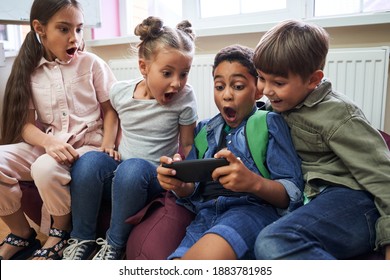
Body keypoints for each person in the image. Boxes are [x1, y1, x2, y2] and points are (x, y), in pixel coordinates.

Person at [62, 16, 198, 260]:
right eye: (167, 73)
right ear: (144, 67)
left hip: (153, 178)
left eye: (184, 74)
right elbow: (110, 110)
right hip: (120, 174)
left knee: (132, 169)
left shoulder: (185, 98)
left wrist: (182, 166)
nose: (176, 83)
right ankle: (82, 239)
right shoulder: (122, 91)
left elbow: (188, 143)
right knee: (88, 163)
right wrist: (108, 143)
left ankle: (114, 245)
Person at [253, 19, 390, 260]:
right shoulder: (275, 108)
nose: (266, 89)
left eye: (278, 83)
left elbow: (381, 175)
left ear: (313, 80)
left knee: (272, 242)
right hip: (312, 200)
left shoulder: (339, 115)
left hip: (353, 199)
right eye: (262, 78)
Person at [157, 44, 304, 260]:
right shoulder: (204, 130)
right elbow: (191, 191)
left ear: (257, 90)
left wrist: (253, 182)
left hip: (250, 211)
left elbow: (292, 192)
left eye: (237, 86)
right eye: (219, 87)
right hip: (206, 216)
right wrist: (178, 183)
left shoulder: (269, 123)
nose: (226, 95)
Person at [0, 0, 118, 260]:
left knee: (44, 167)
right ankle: (21, 234)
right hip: (51, 142)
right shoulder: (30, 72)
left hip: (87, 145)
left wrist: (108, 143)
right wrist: (49, 143)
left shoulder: (92, 64)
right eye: (64, 29)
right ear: (39, 29)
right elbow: (26, 126)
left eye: (78, 29)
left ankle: (60, 231)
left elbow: (111, 110)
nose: (73, 38)